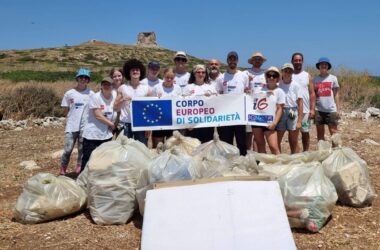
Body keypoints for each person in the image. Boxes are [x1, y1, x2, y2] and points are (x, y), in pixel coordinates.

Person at [59, 68, 94, 175]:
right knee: (68, 149)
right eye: (81, 77)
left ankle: (79, 168)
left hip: (85, 126)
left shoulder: (91, 94)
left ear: (88, 80)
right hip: (71, 126)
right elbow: (66, 110)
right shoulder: (69, 93)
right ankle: (63, 168)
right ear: (77, 78)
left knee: (81, 149)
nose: (83, 79)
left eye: (85, 78)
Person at [81, 77, 117, 171]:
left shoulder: (115, 96)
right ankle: (83, 180)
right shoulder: (96, 97)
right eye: (104, 84)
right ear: (101, 86)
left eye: (109, 84)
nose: (106, 86)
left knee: (105, 160)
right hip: (92, 135)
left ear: (112, 86)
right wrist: (112, 124)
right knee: (88, 159)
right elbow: (98, 116)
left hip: (106, 135)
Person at [217, 51, 249, 155]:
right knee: (227, 142)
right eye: (230, 59)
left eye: (234, 59)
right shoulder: (221, 78)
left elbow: (247, 92)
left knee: (241, 142)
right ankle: (229, 165)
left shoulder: (244, 76)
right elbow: (219, 95)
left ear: (237, 61)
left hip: (240, 115)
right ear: (227, 61)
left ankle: (243, 162)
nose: (232, 61)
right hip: (226, 116)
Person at [115, 59, 151, 145]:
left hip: (141, 124)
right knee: (124, 150)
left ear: (140, 72)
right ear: (129, 72)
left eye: (137, 70)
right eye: (133, 70)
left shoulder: (147, 89)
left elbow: (150, 110)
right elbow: (115, 107)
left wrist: (149, 127)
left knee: (141, 150)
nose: (135, 71)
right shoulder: (122, 88)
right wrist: (122, 100)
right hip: (126, 124)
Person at [252, 66, 285, 155]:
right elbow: (252, 101)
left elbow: (280, 109)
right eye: (269, 75)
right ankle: (263, 165)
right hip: (257, 121)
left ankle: (280, 166)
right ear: (266, 77)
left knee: (273, 147)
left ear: (277, 78)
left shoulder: (280, 91)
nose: (271, 77)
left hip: (270, 122)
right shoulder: (259, 89)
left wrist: (274, 123)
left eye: (274, 76)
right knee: (260, 145)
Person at [183, 64, 217, 143]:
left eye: (203, 72)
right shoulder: (188, 87)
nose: (201, 74)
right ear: (194, 74)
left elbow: (216, 103)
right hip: (192, 124)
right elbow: (183, 105)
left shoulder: (211, 87)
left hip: (207, 124)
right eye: (198, 72)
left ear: (206, 74)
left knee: (206, 148)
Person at [151, 67, 182, 147]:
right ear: (163, 76)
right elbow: (151, 104)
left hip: (173, 122)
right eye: (167, 77)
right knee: (157, 148)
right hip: (159, 122)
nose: (169, 79)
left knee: (171, 149)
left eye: (171, 78)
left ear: (174, 77)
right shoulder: (156, 87)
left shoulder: (178, 88)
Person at [291, 52, 316, 151]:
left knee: (305, 133)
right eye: (295, 60)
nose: (297, 62)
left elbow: (312, 93)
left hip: (305, 110)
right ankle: (295, 153)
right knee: (293, 134)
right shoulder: (288, 74)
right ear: (292, 61)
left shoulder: (307, 76)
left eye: (299, 60)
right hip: (292, 110)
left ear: (302, 61)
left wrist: (312, 109)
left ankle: (306, 152)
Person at [277, 63, 303, 154]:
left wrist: (299, 121)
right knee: (277, 139)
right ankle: (278, 160)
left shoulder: (296, 85)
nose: (287, 73)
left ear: (292, 72)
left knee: (294, 139)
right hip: (280, 111)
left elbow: (300, 102)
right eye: (285, 71)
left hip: (292, 111)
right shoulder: (278, 84)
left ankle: (296, 159)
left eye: (290, 71)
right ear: (282, 72)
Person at [313, 57, 340, 142]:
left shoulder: (333, 78)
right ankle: (322, 153)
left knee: (334, 132)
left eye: (325, 64)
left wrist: (338, 109)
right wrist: (312, 109)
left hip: (331, 110)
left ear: (328, 66)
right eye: (322, 64)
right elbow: (313, 95)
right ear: (319, 66)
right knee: (320, 134)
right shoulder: (315, 79)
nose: (324, 66)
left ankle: (335, 152)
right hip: (318, 110)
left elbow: (336, 94)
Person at [244, 52, 267, 151]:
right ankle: (248, 153)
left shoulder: (266, 74)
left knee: (259, 134)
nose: (257, 61)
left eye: (259, 59)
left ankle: (257, 156)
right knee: (249, 133)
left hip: (262, 108)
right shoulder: (246, 73)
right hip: (249, 107)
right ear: (252, 61)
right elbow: (242, 88)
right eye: (255, 59)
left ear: (262, 61)